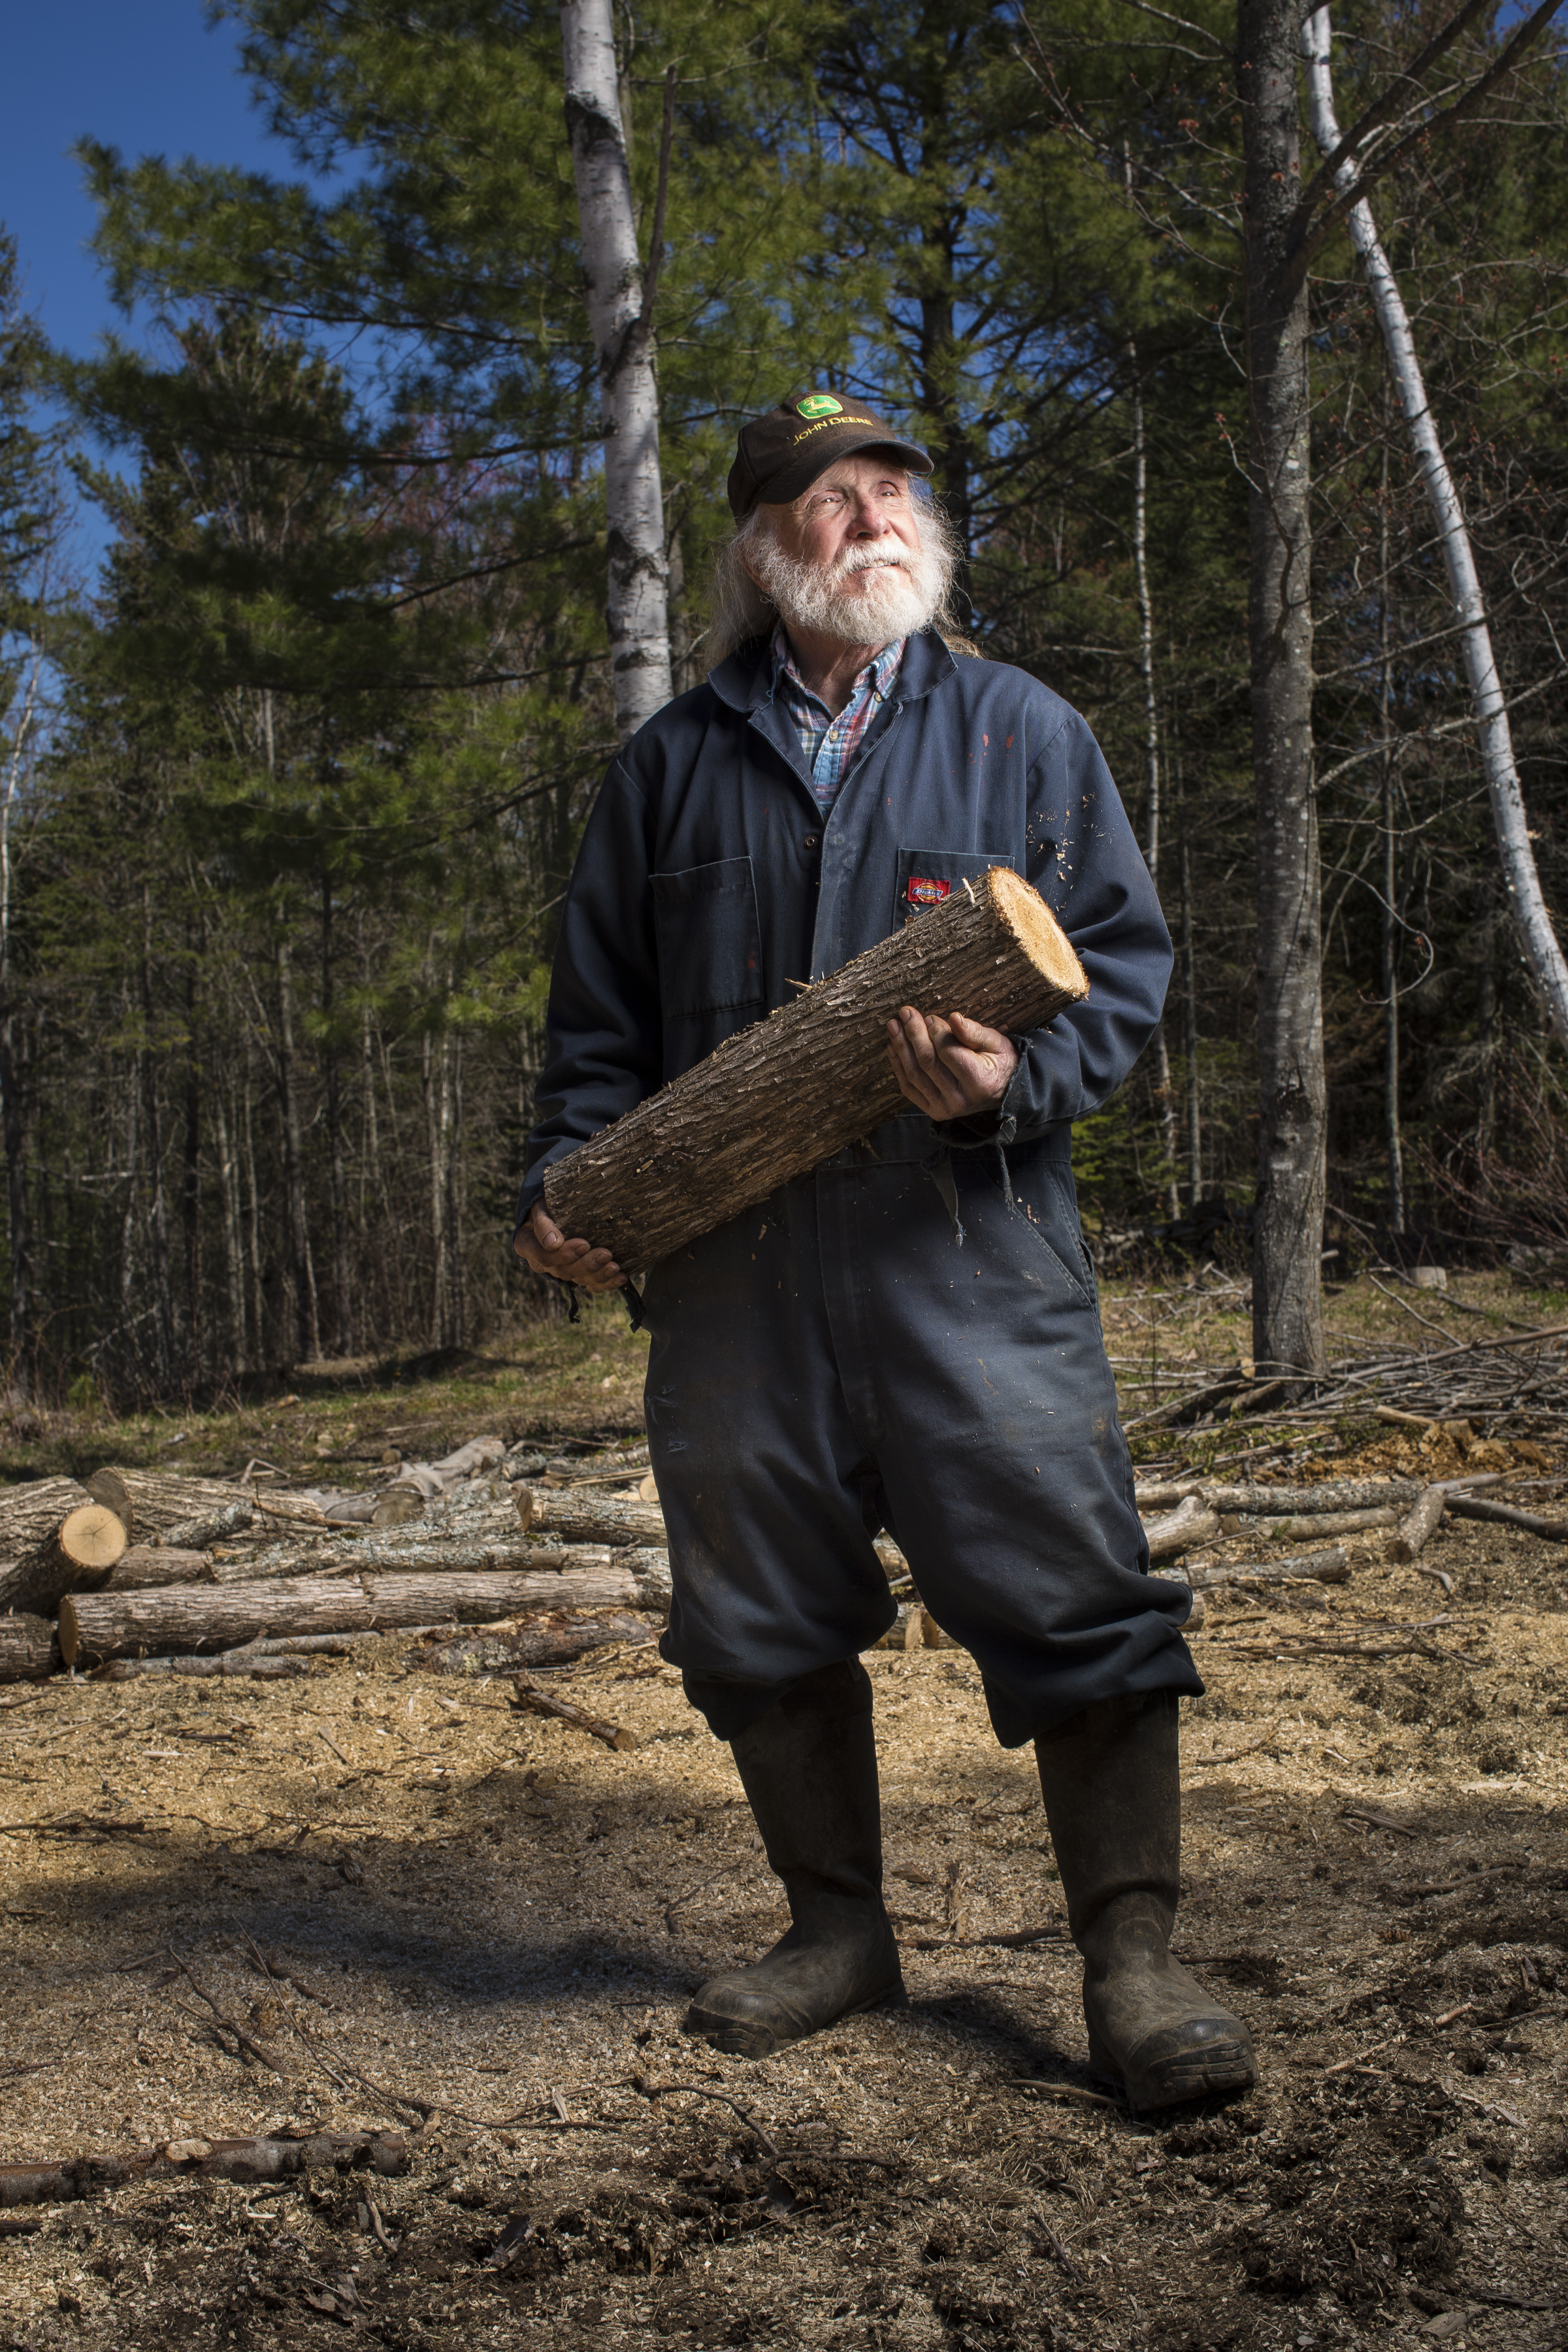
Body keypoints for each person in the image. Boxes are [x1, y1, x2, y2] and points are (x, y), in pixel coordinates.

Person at [514, 393, 1254, 2111]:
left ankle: (1133, 1962)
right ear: (765, 550)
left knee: (1081, 1604)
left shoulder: (1021, 737)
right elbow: (591, 1047)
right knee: (756, 1617)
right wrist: (565, 1187)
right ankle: (838, 1935)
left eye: (891, 490)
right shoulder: (667, 772)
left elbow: (1123, 978)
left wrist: (1014, 1078)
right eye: (828, 500)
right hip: (733, 1295)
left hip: (971, 1268)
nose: (869, 518)